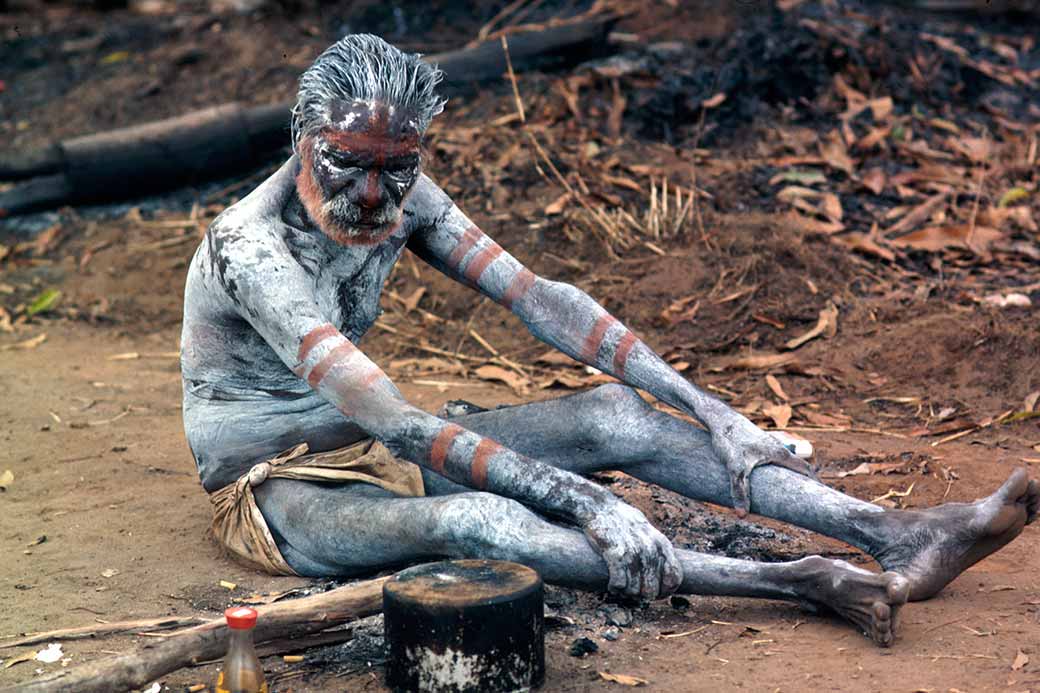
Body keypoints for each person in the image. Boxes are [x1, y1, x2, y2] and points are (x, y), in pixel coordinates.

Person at [180, 34, 1038, 647]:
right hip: (280, 490)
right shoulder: (250, 248)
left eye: (393, 169)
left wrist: (715, 409)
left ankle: (893, 531)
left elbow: (541, 299)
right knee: (483, 517)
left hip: (377, 445)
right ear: (304, 140)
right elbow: (399, 419)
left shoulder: (402, 185)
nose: (372, 193)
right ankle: (796, 579)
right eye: (346, 165)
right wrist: (585, 499)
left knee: (618, 418)